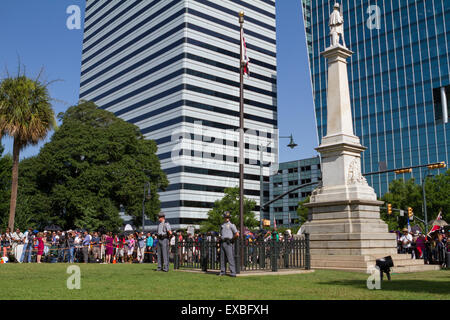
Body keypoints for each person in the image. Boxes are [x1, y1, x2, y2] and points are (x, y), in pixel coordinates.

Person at [218, 211, 239, 277]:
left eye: (228, 217)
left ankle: (233, 272)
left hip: (228, 242)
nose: (227, 218)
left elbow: (237, 234)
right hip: (223, 242)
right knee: (222, 258)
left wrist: (231, 240)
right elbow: (220, 234)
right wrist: (220, 238)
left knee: (230, 258)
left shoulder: (232, 225)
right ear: (224, 217)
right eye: (226, 217)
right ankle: (222, 271)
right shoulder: (221, 225)